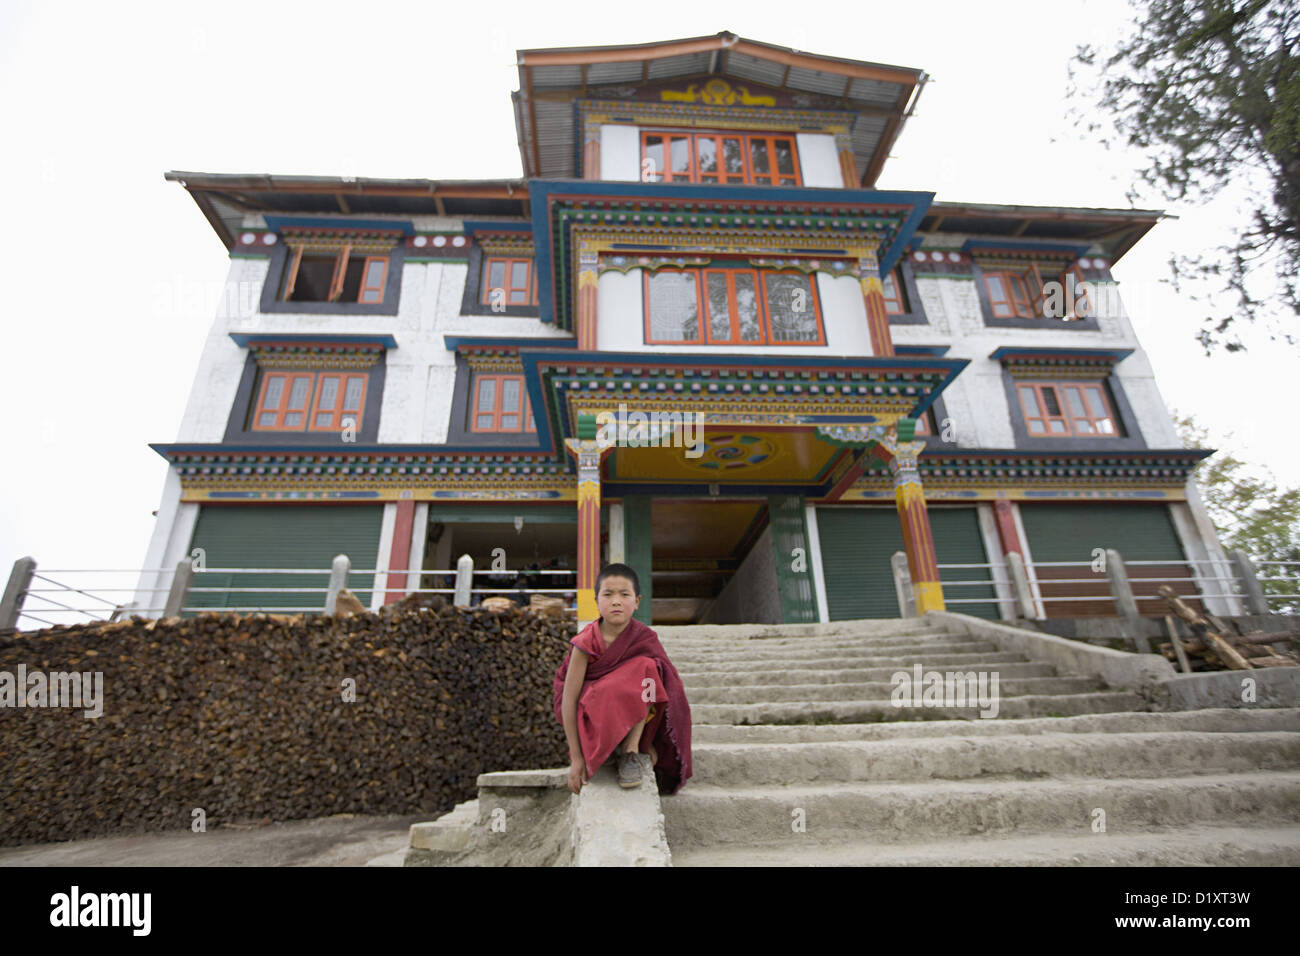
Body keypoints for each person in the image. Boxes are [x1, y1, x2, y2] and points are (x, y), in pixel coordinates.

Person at [552, 563, 692, 795]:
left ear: (637, 601)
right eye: (608, 594)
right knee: (634, 676)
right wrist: (575, 758)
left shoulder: (644, 638)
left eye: (624, 594)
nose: (616, 601)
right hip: (592, 714)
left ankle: (631, 749)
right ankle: (608, 748)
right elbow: (569, 699)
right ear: (596, 601)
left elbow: (666, 685)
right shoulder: (584, 644)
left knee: (649, 670)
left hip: (631, 713)